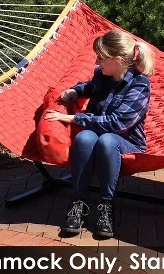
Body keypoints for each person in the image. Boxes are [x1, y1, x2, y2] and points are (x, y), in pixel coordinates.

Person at [43, 29, 155, 238]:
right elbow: (90, 86)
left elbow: (118, 123)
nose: (97, 61)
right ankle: (78, 202)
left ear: (118, 59)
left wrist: (75, 118)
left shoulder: (140, 84)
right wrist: (76, 91)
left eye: (101, 57)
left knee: (107, 141)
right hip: (97, 132)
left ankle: (106, 206)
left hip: (127, 140)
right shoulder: (101, 75)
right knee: (84, 138)